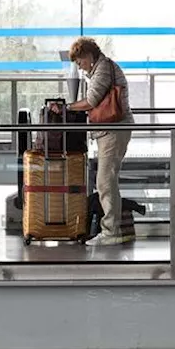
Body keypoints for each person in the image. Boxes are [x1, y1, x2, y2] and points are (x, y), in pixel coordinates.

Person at [66, 37, 133, 248]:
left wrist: (68, 107)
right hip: (110, 132)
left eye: (79, 61)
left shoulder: (103, 69)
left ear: (88, 55)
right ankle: (113, 229)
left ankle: (111, 232)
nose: (79, 65)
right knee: (108, 181)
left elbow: (92, 101)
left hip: (114, 131)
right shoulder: (99, 69)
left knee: (104, 181)